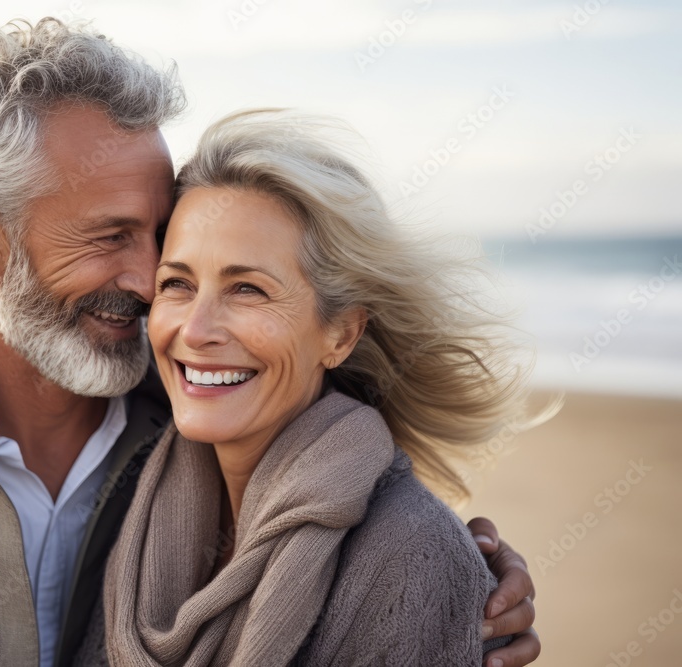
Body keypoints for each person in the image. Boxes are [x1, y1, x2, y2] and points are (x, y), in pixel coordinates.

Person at [0, 19, 538, 667]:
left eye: (159, 233)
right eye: (109, 236)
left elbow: (349, 499)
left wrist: (462, 587)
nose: (147, 277)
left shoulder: (206, 421)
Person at [82, 110, 546, 665]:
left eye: (248, 289)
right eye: (177, 283)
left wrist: (449, 581)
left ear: (341, 332)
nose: (196, 330)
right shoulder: (128, 480)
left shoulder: (414, 557)